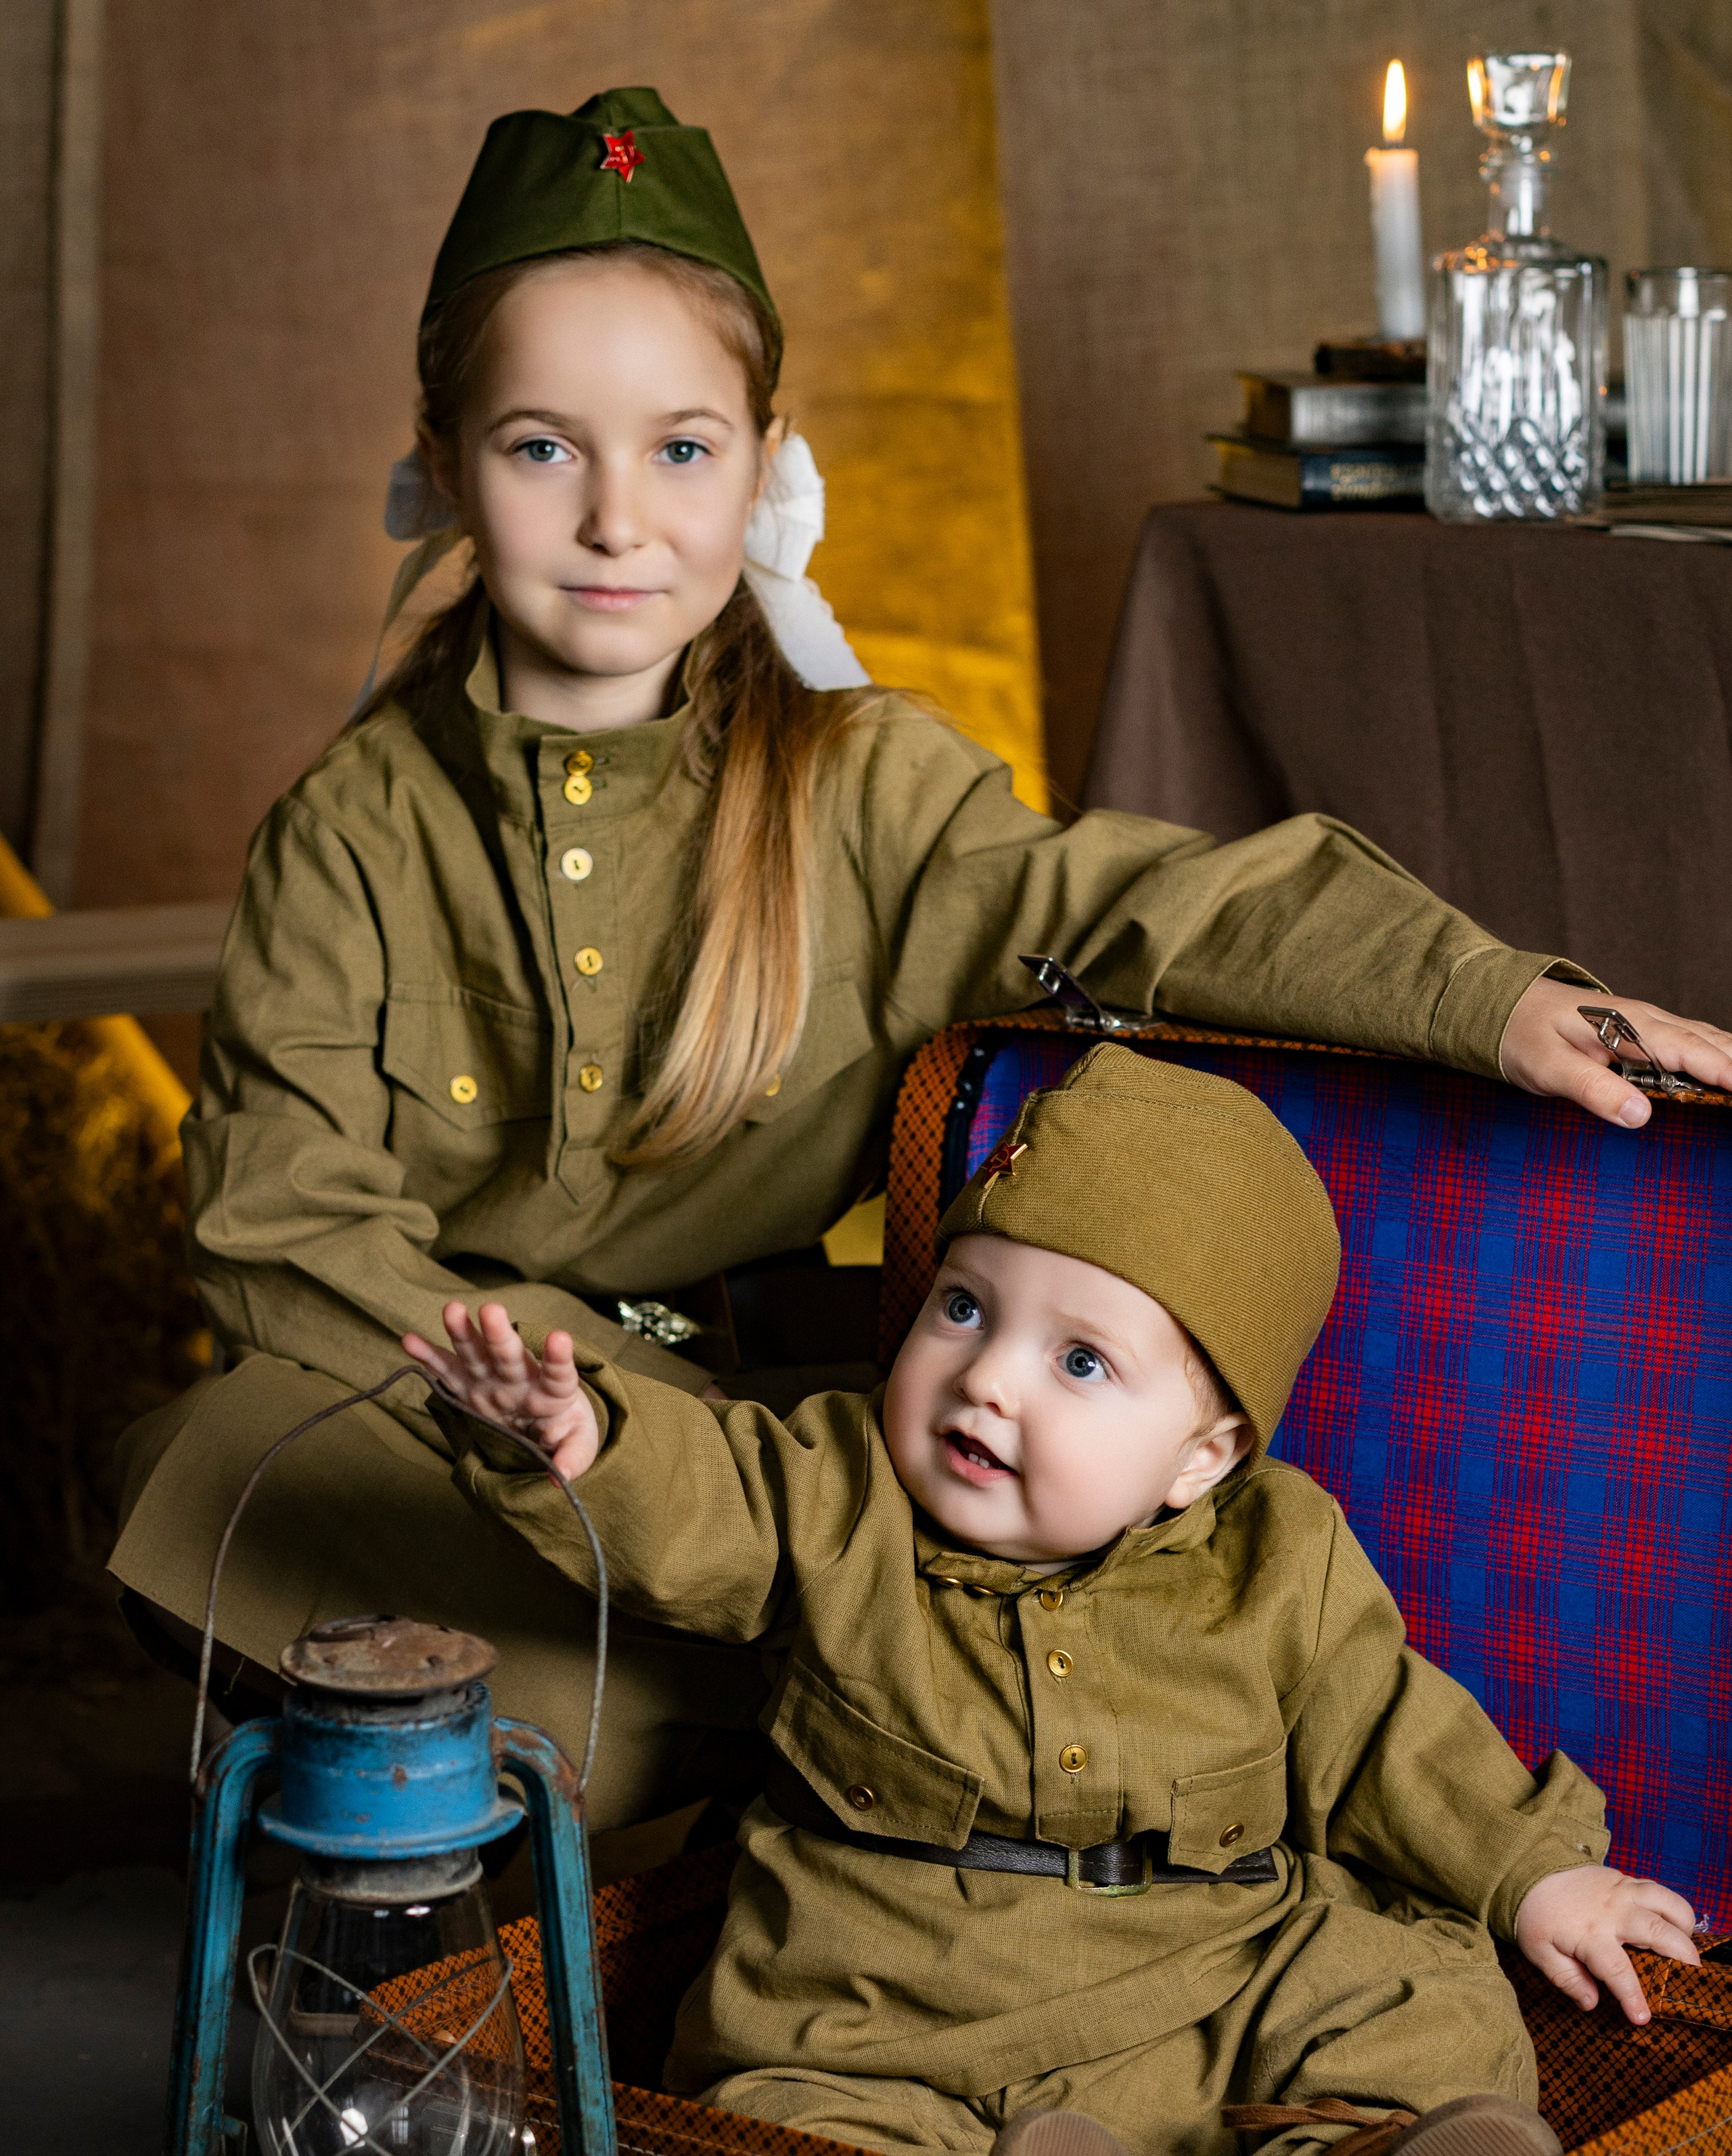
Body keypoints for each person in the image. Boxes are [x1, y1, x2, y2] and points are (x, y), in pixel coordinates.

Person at [110, 87, 1732, 1855]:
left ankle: (687, 1736)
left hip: (770, 1463)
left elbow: (1150, 903)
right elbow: (279, 1222)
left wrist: (1487, 995)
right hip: (453, 1420)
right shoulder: (351, 831)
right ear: (443, 451)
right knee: (205, 1469)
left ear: (765, 459)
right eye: (539, 447)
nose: (615, 523)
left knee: (836, 1596)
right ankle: (652, 1750)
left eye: (679, 449)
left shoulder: (856, 784)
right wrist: (514, 1397)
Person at [405, 1045, 1699, 2156]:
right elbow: (704, 1499)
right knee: (784, 2130)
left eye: (1080, 1362)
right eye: (964, 1309)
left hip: (1207, 1989)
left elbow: (1387, 1731)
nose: (989, 1380)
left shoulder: (1278, 1558)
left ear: (1204, 1458)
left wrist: (1536, 1878)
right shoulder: (838, 1491)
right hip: (888, 2012)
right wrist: (582, 1443)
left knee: (1421, 1979)